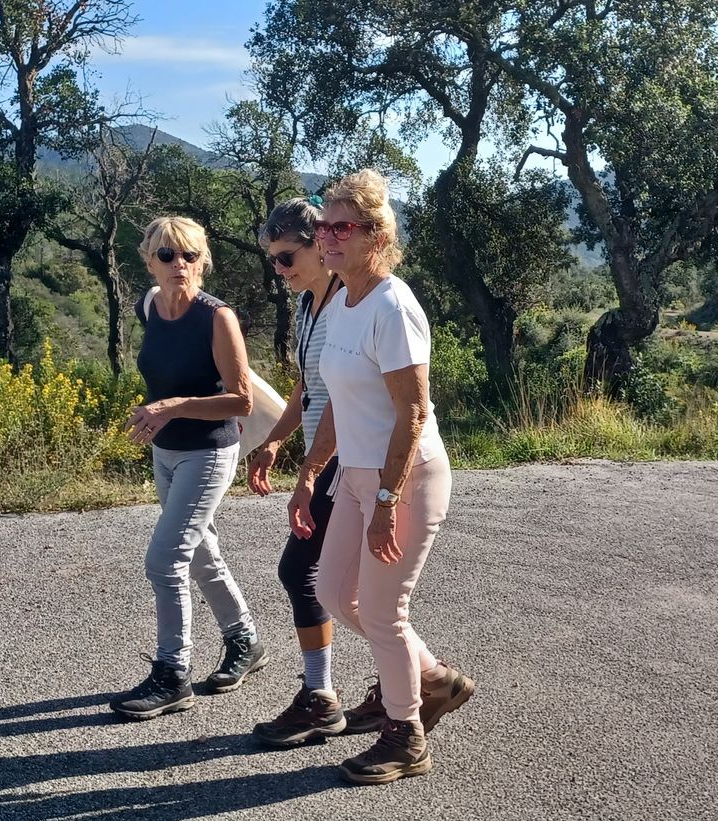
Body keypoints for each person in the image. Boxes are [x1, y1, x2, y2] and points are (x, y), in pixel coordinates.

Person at [289, 170, 475, 785]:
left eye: (342, 227)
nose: (327, 236)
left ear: (377, 235)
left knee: (382, 609)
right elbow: (337, 401)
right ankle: (431, 679)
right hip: (356, 474)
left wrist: (388, 501)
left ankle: (405, 735)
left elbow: (413, 412)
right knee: (333, 591)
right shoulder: (343, 301)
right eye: (323, 225)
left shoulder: (392, 307)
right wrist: (310, 472)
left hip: (407, 478)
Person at [111, 216, 267, 720]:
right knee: (200, 554)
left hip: (208, 452)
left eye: (190, 255)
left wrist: (172, 406)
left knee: (165, 561)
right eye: (167, 254)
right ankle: (245, 641)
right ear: (149, 260)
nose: (179, 263)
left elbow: (241, 401)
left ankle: (172, 674)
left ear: (203, 261)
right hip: (166, 452)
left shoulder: (217, 318)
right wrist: (159, 412)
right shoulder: (148, 306)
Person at [243, 197, 349, 747]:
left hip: (348, 458)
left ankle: (322, 695)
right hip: (324, 455)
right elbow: (308, 386)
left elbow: (344, 398)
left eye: (287, 257)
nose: (279, 270)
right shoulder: (310, 304)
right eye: (273, 260)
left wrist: (309, 473)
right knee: (338, 582)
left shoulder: (347, 303)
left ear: (319, 246)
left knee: (302, 570)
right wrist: (274, 441)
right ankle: (414, 679)